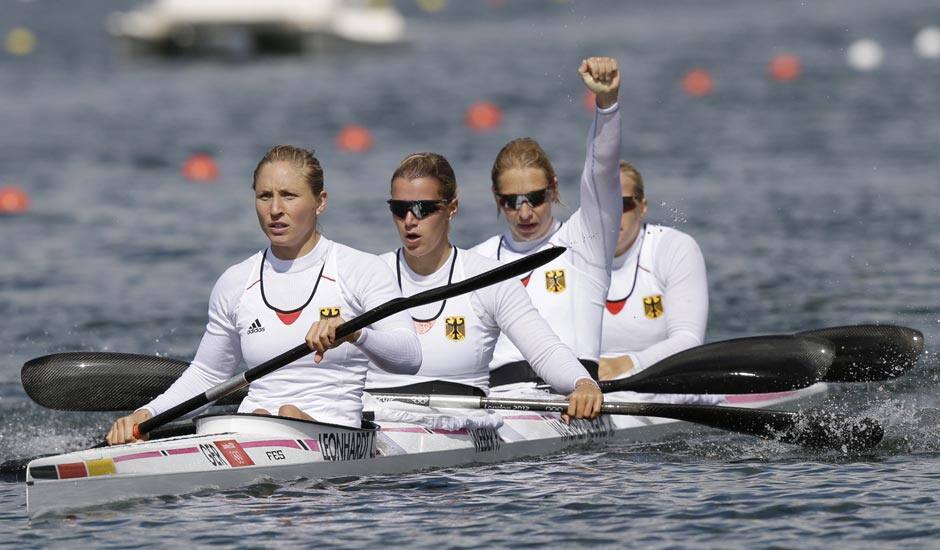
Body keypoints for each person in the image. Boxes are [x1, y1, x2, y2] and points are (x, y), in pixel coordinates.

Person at [106, 145, 422, 444]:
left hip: (335, 437)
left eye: (288, 196)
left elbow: (409, 357)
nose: (274, 210)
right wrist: (148, 414)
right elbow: (208, 374)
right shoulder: (236, 281)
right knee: (256, 420)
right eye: (264, 196)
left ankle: (288, 421)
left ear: (320, 201)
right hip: (251, 431)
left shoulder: (361, 270)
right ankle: (264, 423)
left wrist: (355, 333)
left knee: (284, 419)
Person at [365, 152, 603, 420]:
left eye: (423, 208)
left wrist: (582, 383)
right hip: (379, 419)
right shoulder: (366, 275)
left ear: (452, 207)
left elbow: (544, 350)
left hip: (462, 424)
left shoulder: (488, 278)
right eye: (399, 209)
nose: (409, 220)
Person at [472, 56, 622, 387]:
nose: (524, 213)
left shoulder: (586, 239)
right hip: (499, 397)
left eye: (535, 198)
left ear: (553, 189)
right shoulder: (476, 260)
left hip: (575, 396)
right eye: (511, 202)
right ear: (497, 199)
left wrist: (607, 103)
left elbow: (603, 171)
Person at [598, 161, 708, 380]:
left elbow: (688, 339)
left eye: (622, 204)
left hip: (664, 380)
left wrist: (625, 365)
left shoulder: (673, 249)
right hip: (591, 385)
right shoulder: (572, 255)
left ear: (642, 206)